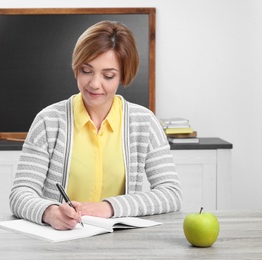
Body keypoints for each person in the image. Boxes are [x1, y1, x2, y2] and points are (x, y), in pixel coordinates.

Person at [9, 20, 182, 230]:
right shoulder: (48, 121)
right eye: (86, 70)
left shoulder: (144, 123)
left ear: (123, 76)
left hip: (122, 243)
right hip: (60, 241)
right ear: (76, 69)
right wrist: (51, 213)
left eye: (108, 75)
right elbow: (20, 193)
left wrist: (108, 207)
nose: (94, 84)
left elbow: (171, 193)